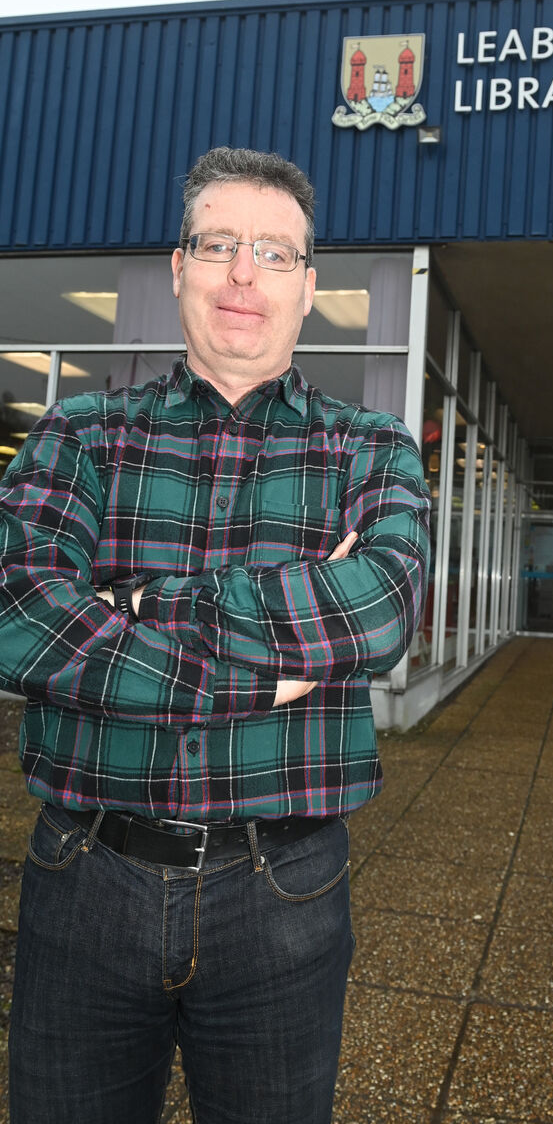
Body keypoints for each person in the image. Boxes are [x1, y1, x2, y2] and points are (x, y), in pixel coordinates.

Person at [1, 146, 430, 1124]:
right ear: (178, 266)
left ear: (309, 288)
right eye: (220, 244)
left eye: (276, 253)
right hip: (84, 882)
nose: (245, 273)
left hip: (285, 894)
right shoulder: (80, 436)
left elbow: (380, 609)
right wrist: (259, 671)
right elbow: (17, 612)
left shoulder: (369, 449)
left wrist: (146, 607)